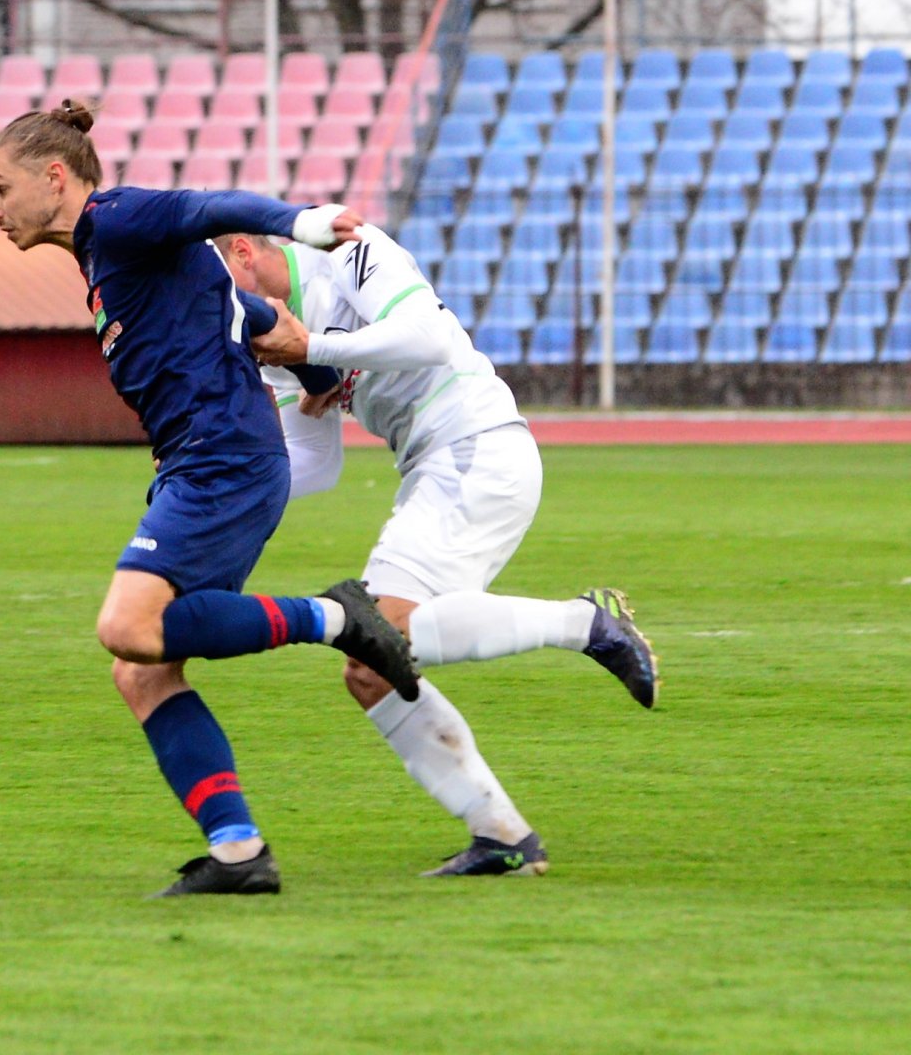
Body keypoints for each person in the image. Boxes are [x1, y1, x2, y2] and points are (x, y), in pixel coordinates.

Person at [0, 99, 423, 898]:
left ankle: (337, 617)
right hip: (207, 464)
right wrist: (319, 375)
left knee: (126, 626)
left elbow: (209, 210)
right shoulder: (105, 260)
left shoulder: (118, 220)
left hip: (222, 462)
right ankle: (238, 853)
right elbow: (236, 310)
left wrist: (301, 221)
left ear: (54, 178)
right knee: (142, 671)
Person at [219, 226, 659, 876]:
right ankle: (500, 834)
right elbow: (311, 461)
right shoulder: (270, 337)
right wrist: (218, 477)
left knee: (376, 634)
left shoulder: (348, 252)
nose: (218, 311)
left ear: (242, 251)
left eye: (217, 289)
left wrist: (316, 347)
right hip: (435, 469)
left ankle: (585, 623)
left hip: (475, 447)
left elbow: (429, 336)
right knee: (369, 668)